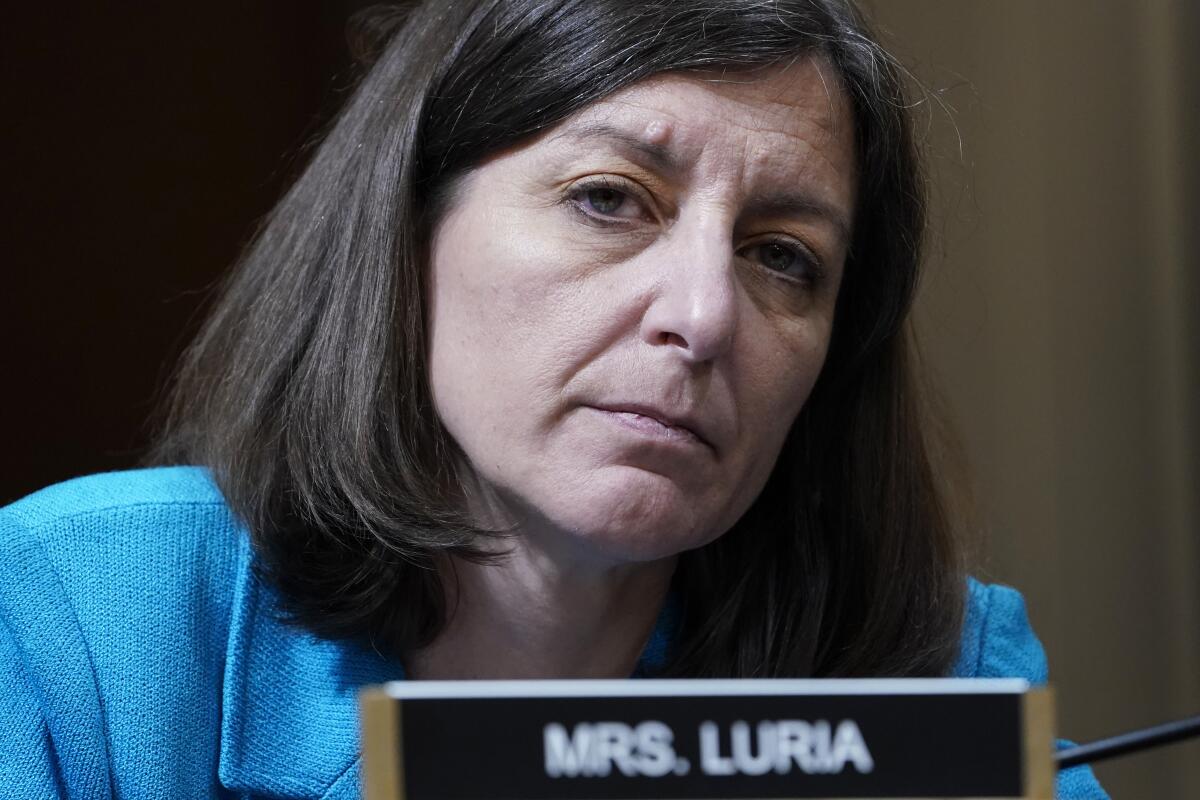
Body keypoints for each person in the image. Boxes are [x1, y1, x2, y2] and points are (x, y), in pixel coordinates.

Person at [0, 1, 1107, 797]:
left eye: (783, 258)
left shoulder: (937, 673)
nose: (705, 313)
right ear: (408, 224)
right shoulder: (79, 620)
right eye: (611, 198)